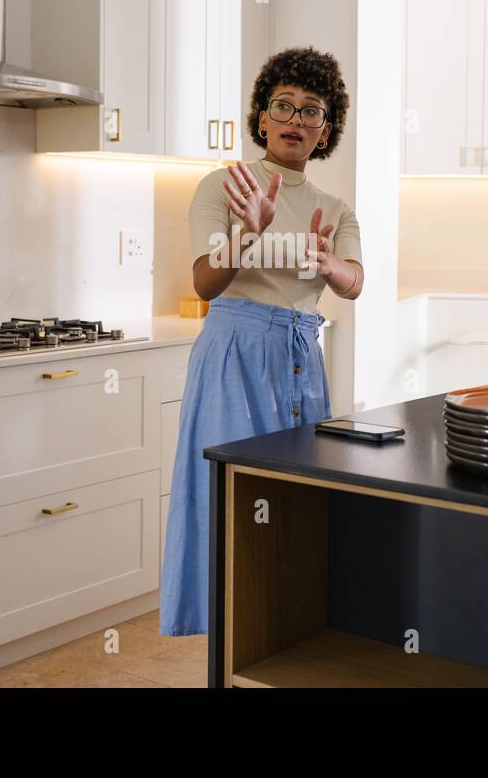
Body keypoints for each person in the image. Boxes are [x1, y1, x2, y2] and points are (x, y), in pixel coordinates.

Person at [160, 46, 364, 636]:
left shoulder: (334, 207)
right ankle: (227, 640)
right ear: (262, 117)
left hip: (300, 356)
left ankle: (285, 636)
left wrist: (328, 264)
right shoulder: (223, 186)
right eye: (284, 106)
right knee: (229, 500)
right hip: (232, 353)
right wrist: (247, 233)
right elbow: (205, 281)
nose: (296, 120)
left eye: (312, 111)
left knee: (294, 498)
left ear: (326, 130)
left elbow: (354, 283)